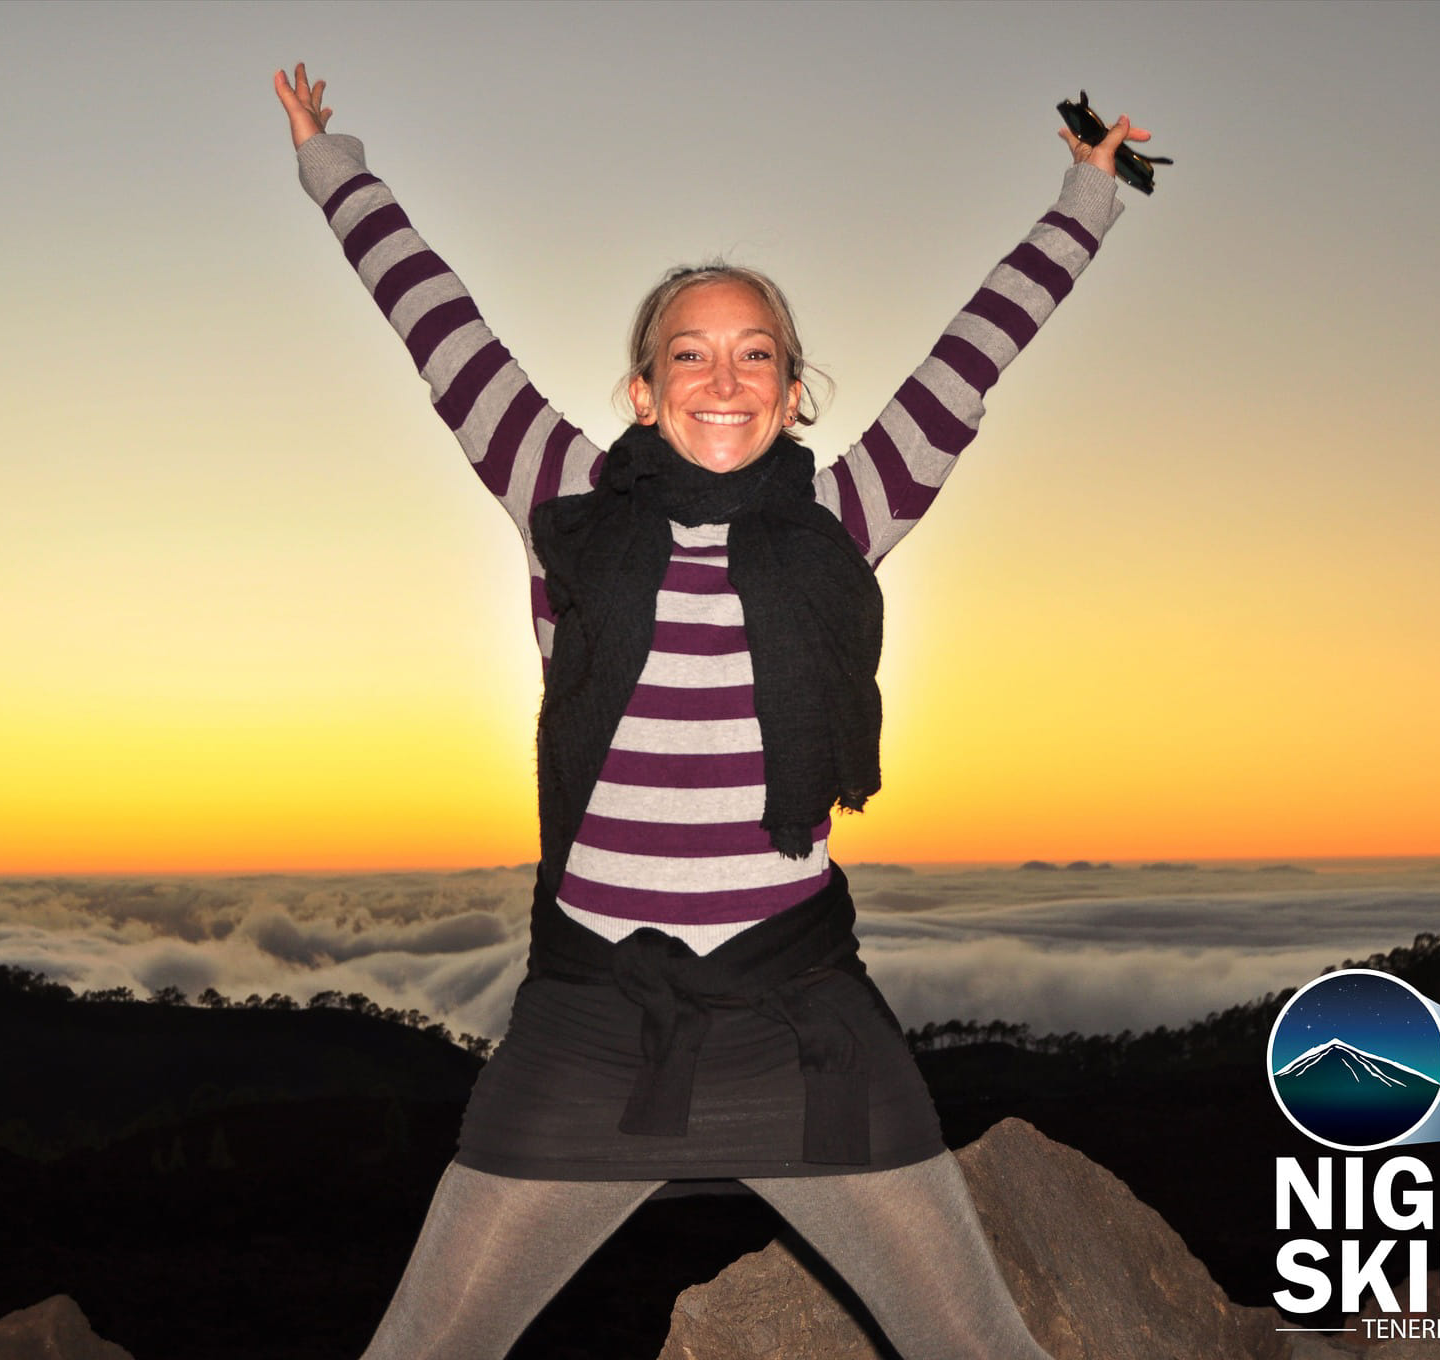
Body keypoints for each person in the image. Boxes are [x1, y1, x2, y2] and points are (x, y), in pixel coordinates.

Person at [274, 61, 1147, 1360]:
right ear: (644, 390)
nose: (722, 379)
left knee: (974, 1346)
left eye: (756, 356)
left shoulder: (841, 517)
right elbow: (436, 323)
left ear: (792, 394)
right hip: (593, 1012)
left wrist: (1086, 196)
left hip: (799, 1011)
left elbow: (975, 354)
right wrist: (329, 164)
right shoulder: (565, 500)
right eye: (689, 353)